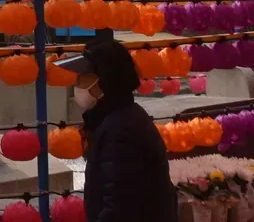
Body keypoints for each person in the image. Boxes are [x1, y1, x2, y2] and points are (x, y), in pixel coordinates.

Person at [57, 35, 176, 222]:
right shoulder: (116, 119)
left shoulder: (120, 132)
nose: (78, 85)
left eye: (85, 78)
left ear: (106, 81)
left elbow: (120, 205)